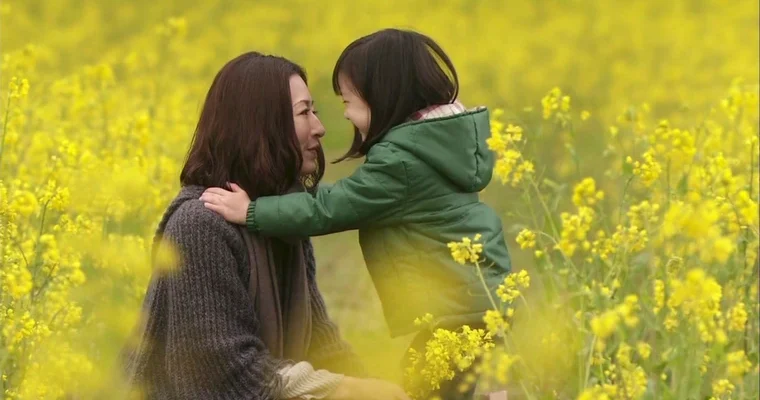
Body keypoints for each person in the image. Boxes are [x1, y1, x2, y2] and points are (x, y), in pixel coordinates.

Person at [201, 29, 515, 399]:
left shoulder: (402, 162)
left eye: (349, 101)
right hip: (479, 304)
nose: (344, 115)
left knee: (420, 389)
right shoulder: (445, 145)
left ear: (383, 99)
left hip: (455, 312)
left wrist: (253, 210)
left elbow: (329, 207)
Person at [122, 51, 410, 400]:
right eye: (304, 112)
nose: (319, 128)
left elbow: (321, 345)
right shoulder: (199, 226)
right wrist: (351, 390)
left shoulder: (279, 220)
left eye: (315, 111)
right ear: (260, 126)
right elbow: (225, 379)